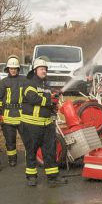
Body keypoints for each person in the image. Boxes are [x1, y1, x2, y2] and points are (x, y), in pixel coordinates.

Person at [21, 57, 67, 186]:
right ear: (35, 70)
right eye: (41, 69)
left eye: (45, 69)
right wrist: (49, 100)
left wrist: (54, 104)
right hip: (32, 125)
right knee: (31, 151)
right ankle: (31, 177)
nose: (44, 71)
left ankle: (52, 177)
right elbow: (33, 98)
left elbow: (49, 102)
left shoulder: (46, 85)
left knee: (50, 151)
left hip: (47, 124)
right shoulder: (29, 83)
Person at [0, 55, 24, 167]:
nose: (13, 70)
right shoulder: (3, 82)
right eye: (11, 68)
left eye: (15, 68)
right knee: (10, 141)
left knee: (28, 139)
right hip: (7, 115)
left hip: (22, 115)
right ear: (8, 69)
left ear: (18, 69)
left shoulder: (24, 80)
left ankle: (31, 158)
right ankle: (12, 159)